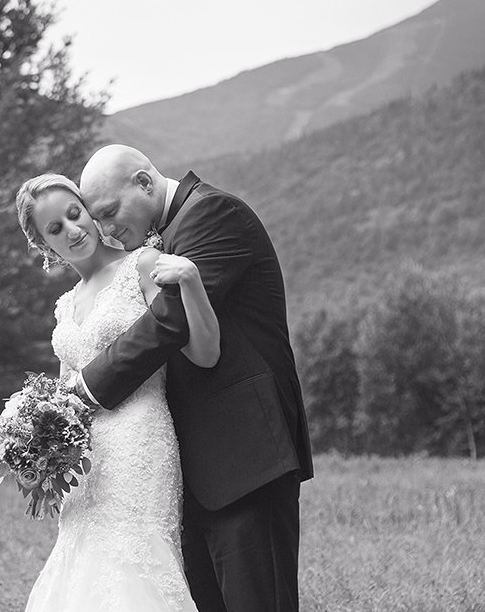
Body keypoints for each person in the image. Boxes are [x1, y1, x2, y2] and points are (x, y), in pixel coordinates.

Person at [71, 144, 313, 612]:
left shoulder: (213, 213)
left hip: (247, 458)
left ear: (144, 182)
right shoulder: (159, 239)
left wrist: (82, 391)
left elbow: (169, 321)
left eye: (109, 212)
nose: (105, 230)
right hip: (195, 471)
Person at [16, 172, 220, 612]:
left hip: (139, 442)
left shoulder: (144, 265)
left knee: (133, 566)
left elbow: (203, 352)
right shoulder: (65, 306)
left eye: (75, 214)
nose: (73, 230)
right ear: (44, 245)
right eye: (56, 229)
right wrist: (36, 448)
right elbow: (63, 395)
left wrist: (191, 281)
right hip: (86, 462)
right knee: (82, 573)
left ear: (89, 210)